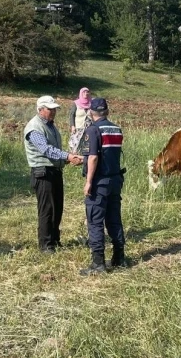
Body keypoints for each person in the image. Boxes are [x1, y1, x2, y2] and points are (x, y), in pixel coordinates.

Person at [24, 95, 83, 254]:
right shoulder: (34, 127)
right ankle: (46, 245)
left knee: (57, 208)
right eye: (50, 109)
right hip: (43, 173)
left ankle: (55, 240)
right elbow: (46, 149)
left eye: (54, 109)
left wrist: (68, 159)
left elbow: (54, 151)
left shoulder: (50, 126)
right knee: (47, 210)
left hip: (55, 171)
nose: (53, 112)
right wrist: (68, 156)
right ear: (40, 110)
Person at [79, 97, 127, 275]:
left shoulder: (92, 130)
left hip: (100, 182)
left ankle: (98, 264)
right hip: (115, 180)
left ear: (91, 112)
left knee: (95, 221)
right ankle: (119, 257)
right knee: (114, 219)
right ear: (107, 111)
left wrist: (89, 181)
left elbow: (93, 157)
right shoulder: (116, 129)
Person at [68, 87, 92, 153]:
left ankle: (85, 156)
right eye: (84, 92)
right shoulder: (76, 103)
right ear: (81, 93)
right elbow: (72, 115)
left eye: (87, 92)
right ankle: (74, 156)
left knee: (87, 142)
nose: (86, 93)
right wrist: (72, 126)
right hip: (78, 126)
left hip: (89, 127)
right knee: (75, 142)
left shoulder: (91, 103)